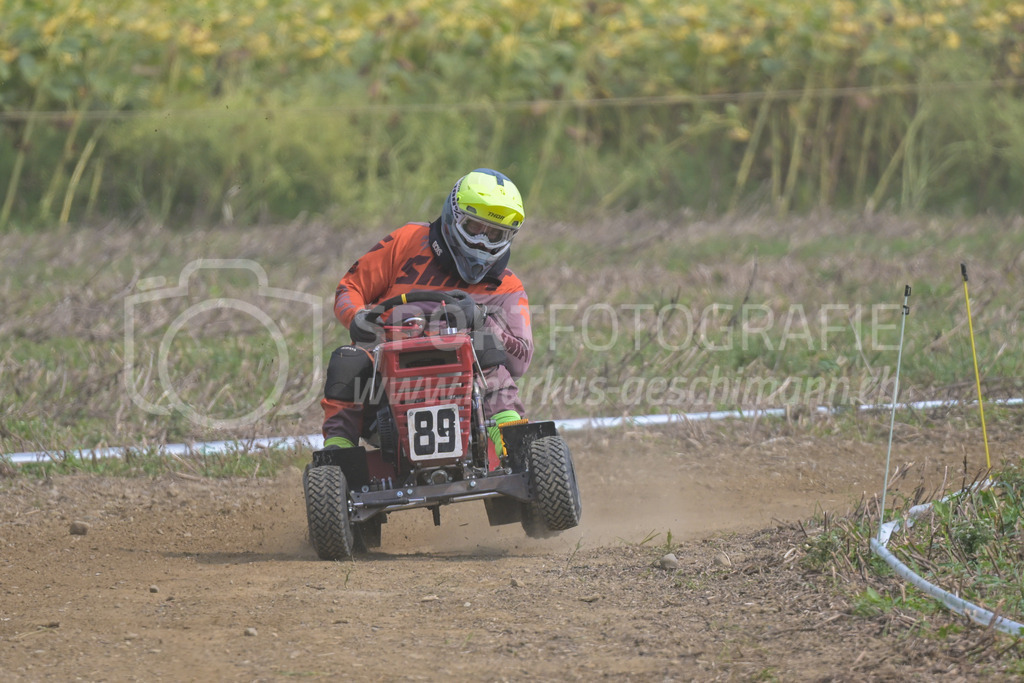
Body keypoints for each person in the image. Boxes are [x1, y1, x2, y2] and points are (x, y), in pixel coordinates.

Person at [316, 168, 533, 460]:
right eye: (475, 228)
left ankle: (516, 452)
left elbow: (520, 360)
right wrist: (356, 317)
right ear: (454, 215)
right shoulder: (406, 242)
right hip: (386, 395)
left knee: (487, 348)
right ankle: (337, 460)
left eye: (495, 234)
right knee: (348, 360)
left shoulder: (508, 287)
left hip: (469, 402)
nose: (483, 241)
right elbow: (349, 288)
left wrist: (482, 321)